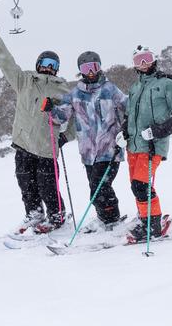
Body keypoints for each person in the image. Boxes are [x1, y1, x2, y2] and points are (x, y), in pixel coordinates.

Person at [0, 14, 74, 233]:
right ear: (38, 64)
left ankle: (56, 215)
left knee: (47, 186)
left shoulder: (63, 89)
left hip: (46, 147)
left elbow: (76, 116)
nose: (49, 68)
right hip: (23, 142)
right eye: (45, 63)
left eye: (53, 65)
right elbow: (6, 62)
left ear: (57, 69)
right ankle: (34, 214)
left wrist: (66, 136)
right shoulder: (24, 80)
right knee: (26, 184)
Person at [42, 51, 128, 232]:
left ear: (99, 67)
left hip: (110, 149)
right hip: (88, 153)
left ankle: (112, 220)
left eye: (94, 67)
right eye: (85, 68)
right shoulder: (75, 94)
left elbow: (128, 107)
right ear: (80, 70)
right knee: (95, 187)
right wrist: (51, 109)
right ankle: (104, 219)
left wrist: (126, 127)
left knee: (100, 187)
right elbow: (61, 117)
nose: (90, 72)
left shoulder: (110, 89)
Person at [117, 45, 172, 241]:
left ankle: (153, 225)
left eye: (146, 58)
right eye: (139, 60)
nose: (143, 63)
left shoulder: (166, 84)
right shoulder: (135, 87)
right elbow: (130, 115)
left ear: (154, 59)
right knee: (137, 186)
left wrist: (157, 131)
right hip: (133, 145)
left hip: (153, 145)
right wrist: (124, 132)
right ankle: (145, 218)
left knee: (142, 185)